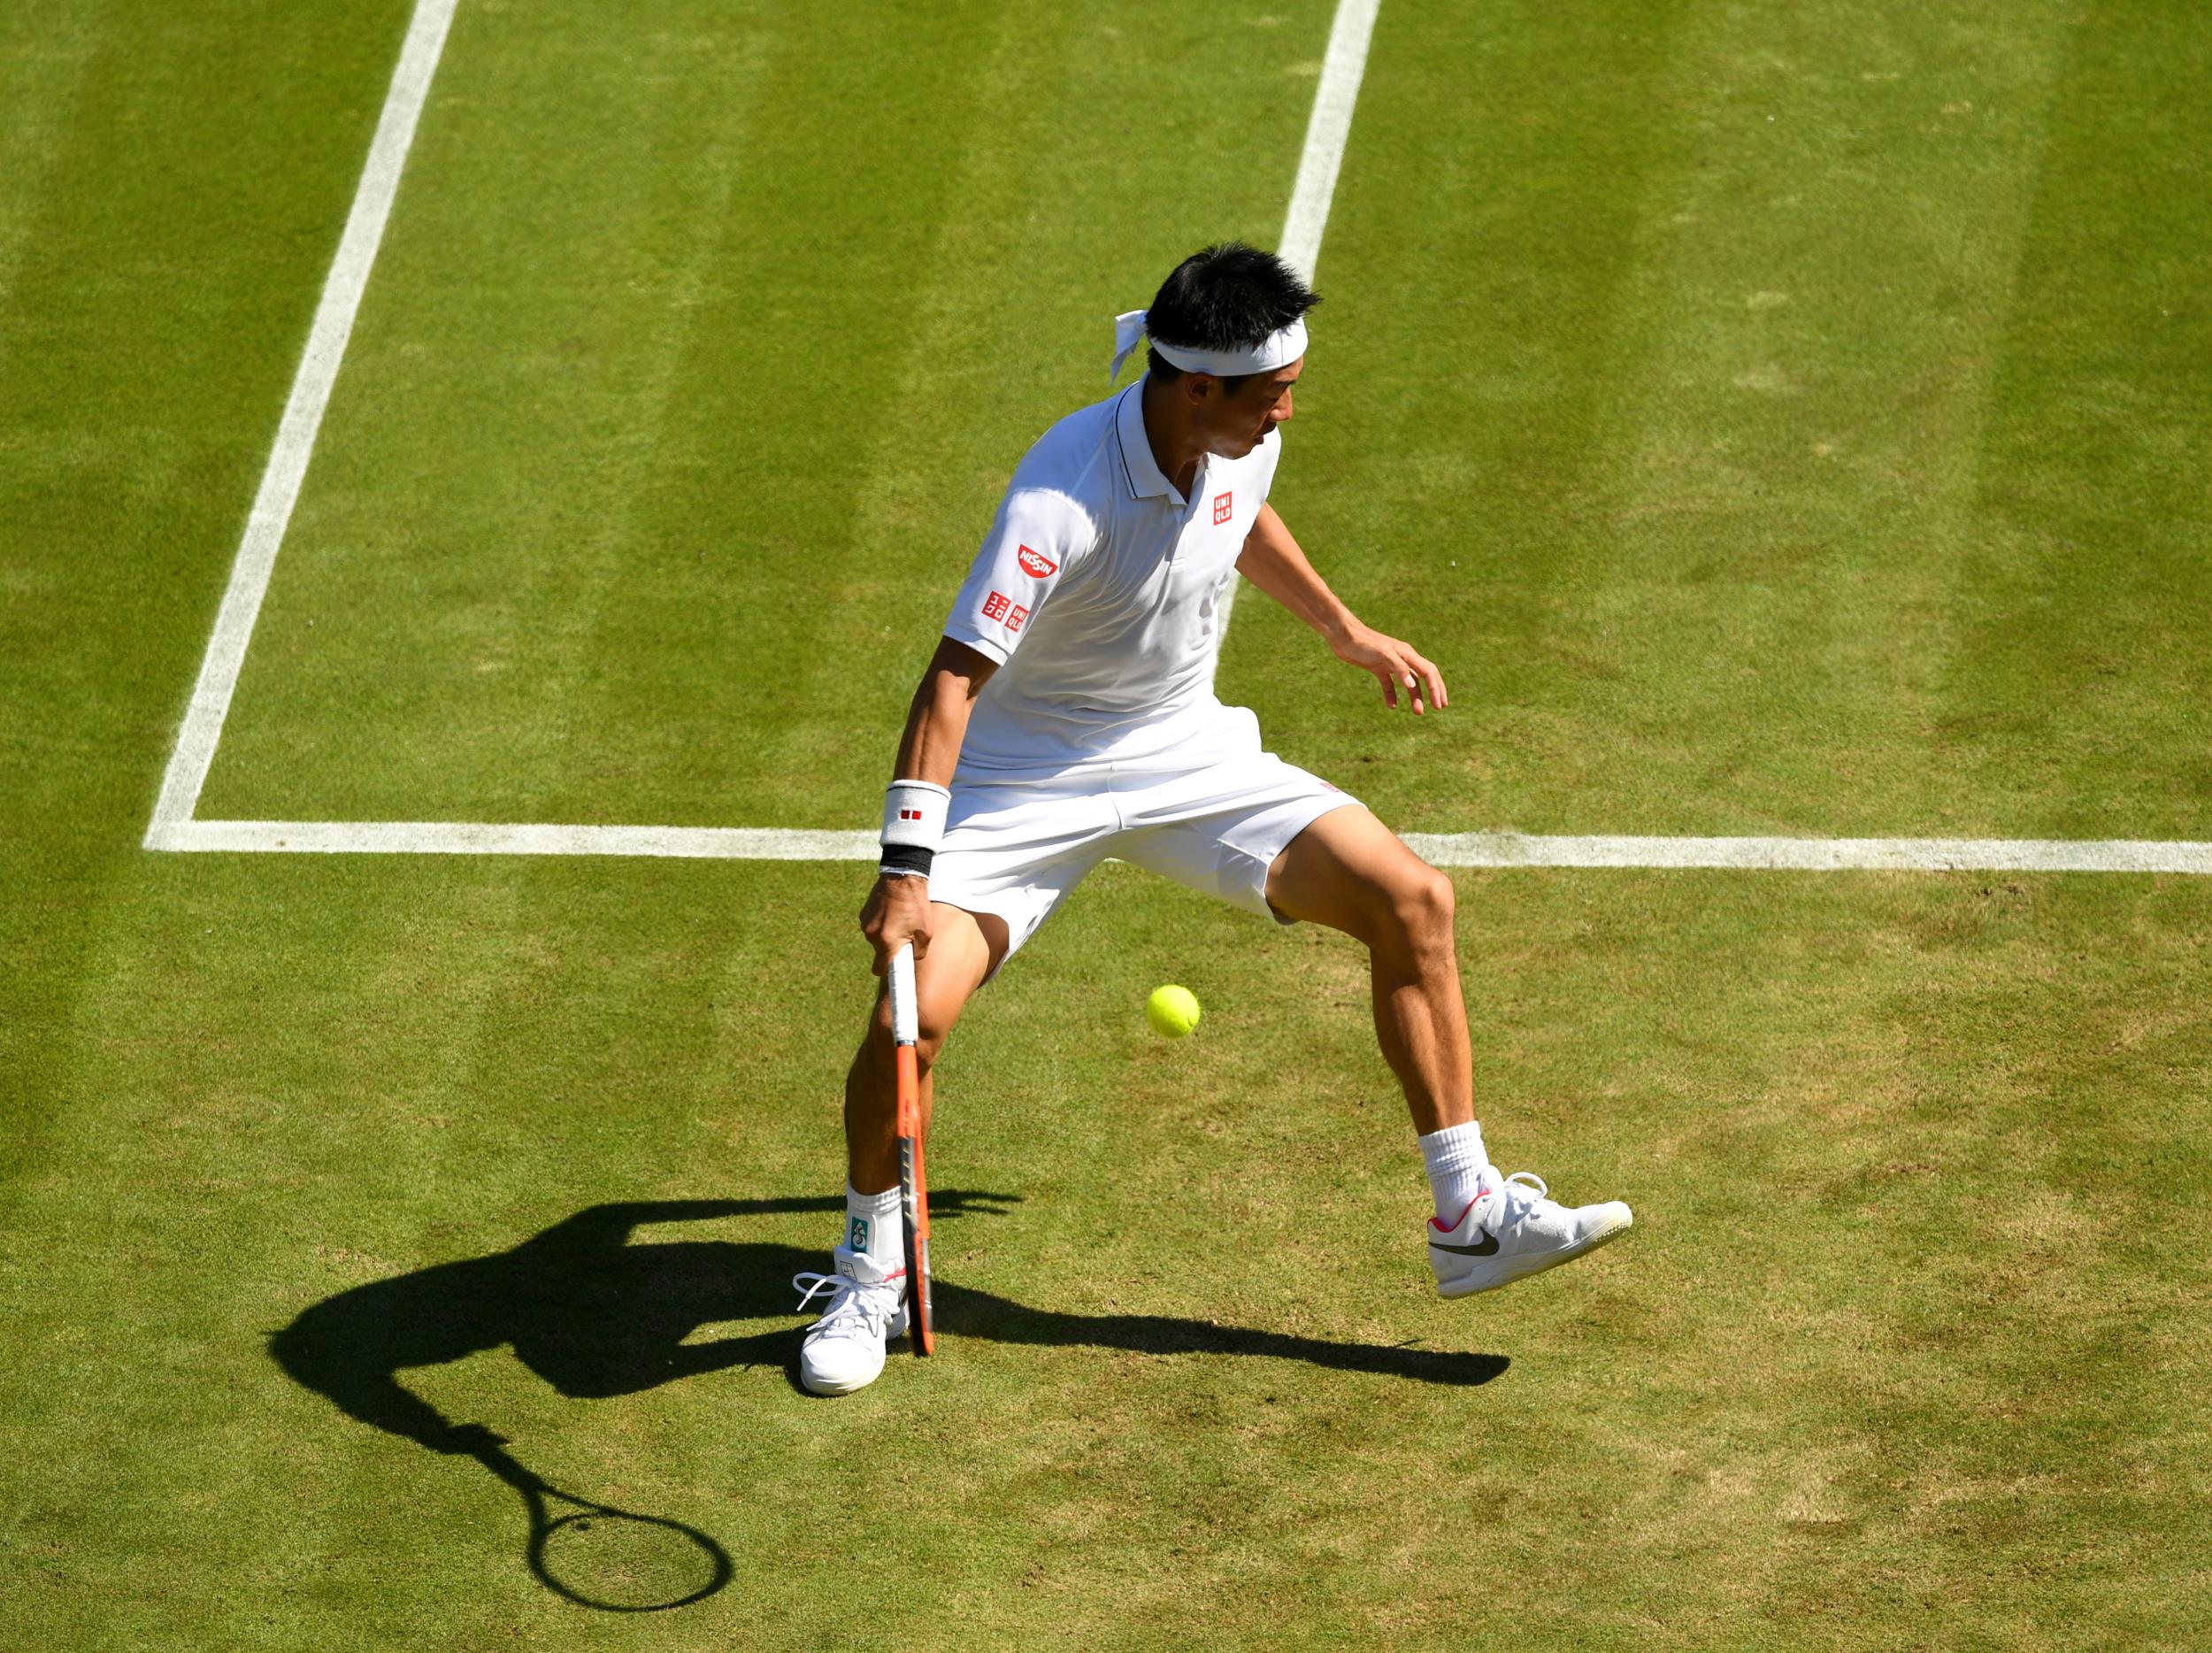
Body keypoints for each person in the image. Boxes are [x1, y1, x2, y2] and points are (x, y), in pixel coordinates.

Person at [796, 243, 1631, 1396]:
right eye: (1271, 393)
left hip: (1186, 754)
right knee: (912, 1023)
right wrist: (906, 868)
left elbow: (1240, 517)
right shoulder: (1061, 495)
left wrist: (1342, 627)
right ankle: (865, 1270)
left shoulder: (1238, 433)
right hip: (1023, 785)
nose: (1289, 409)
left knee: (1412, 899)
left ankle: (1472, 1214)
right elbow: (951, 682)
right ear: (1196, 387)